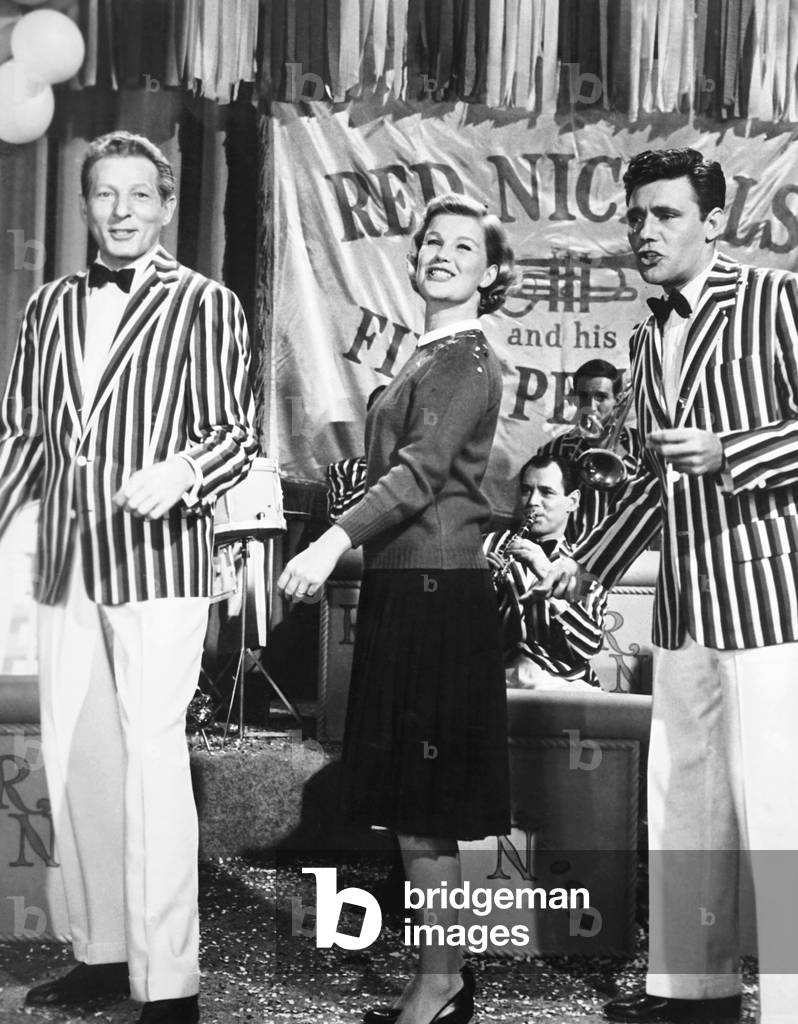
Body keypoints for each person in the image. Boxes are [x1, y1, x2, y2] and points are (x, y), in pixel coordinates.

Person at [0, 131, 257, 1024]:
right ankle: (104, 952)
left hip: (157, 560)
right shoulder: (48, 307)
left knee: (151, 762)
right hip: (66, 562)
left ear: (165, 205)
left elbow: (235, 435)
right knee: (79, 759)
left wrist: (182, 473)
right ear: (84, 207)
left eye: (138, 195)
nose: (120, 212)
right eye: (104, 195)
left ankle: (169, 983)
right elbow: (25, 439)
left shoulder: (207, 305)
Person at [538, 147, 798, 1024]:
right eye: (636, 217)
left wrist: (735, 453)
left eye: (666, 215)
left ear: (714, 221)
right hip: (687, 610)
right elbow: (652, 481)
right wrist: (587, 563)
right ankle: (695, 993)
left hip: (771, 603)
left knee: (781, 817)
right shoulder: (650, 334)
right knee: (684, 804)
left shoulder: (775, 299)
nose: (645, 233)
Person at [278, 192, 515, 1024]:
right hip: (408, 590)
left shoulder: (465, 360)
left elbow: (417, 476)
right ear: (413, 260)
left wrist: (326, 542)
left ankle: (441, 983)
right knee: (417, 811)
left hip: (435, 596)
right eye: (432, 243)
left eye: (464, 247)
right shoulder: (430, 353)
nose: (444, 254)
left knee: (425, 811)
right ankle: (443, 978)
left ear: (490, 273)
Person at [483, 452, 608, 689]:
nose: (532, 502)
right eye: (526, 490)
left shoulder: (586, 564)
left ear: (572, 501)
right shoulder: (486, 545)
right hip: (496, 677)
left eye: (546, 493)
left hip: (562, 683)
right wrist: (474, 586)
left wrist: (545, 571)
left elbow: (588, 645)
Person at [536, 358, 643, 548]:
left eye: (601, 397)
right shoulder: (554, 450)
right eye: (583, 397)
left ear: (617, 401)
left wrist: (617, 452)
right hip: (571, 553)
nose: (591, 407)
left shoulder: (641, 445)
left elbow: (647, 497)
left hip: (625, 555)